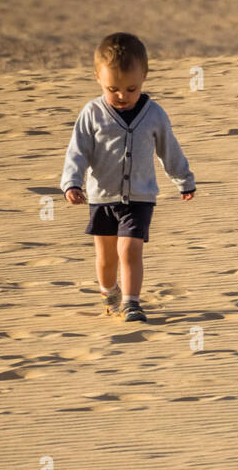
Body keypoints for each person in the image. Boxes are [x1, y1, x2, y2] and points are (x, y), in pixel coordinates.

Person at [60, 32, 196, 323]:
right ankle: (110, 292)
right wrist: (71, 182)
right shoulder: (92, 113)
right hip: (101, 197)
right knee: (107, 257)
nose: (122, 96)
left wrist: (183, 179)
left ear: (145, 77)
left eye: (131, 89)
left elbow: (168, 150)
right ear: (97, 77)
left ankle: (132, 302)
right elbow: (78, 152)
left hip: (140, 197)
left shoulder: (154, 114)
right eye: (113, 89)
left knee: (129, 248)